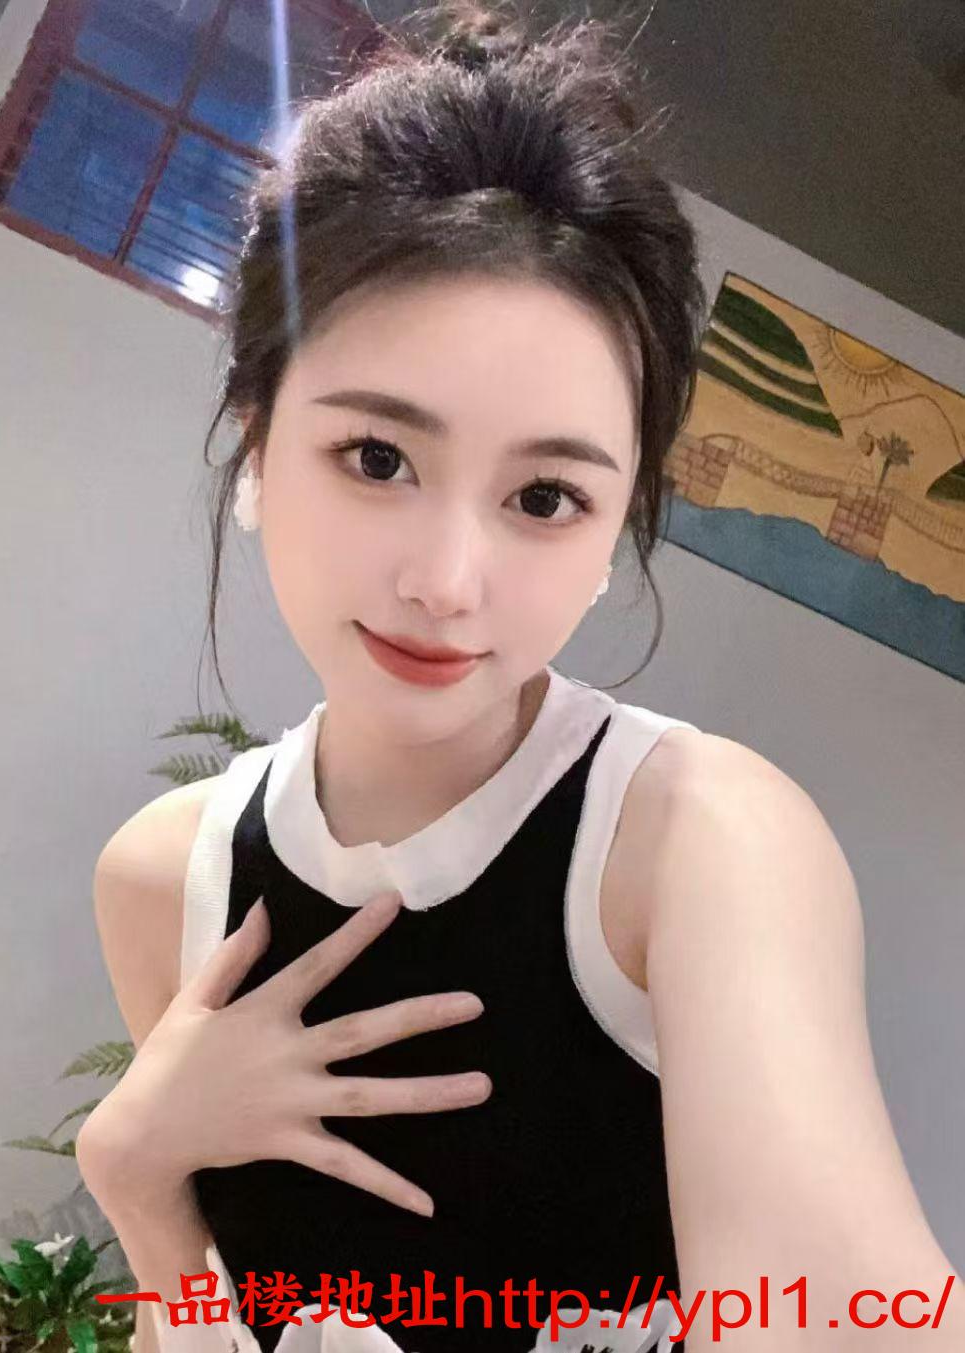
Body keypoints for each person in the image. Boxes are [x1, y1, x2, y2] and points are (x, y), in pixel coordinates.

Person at [75, 3, 965, 1351]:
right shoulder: (163, 881)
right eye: (377, 458)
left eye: (544, 496)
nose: (447, 581)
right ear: (257, 442)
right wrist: (138, 1188)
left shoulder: (691, 842)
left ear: (614, 532)